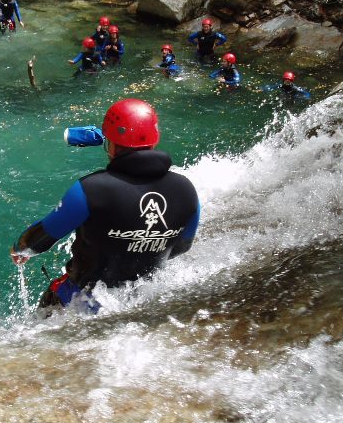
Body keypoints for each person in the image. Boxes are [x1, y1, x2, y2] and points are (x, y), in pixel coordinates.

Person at [10, 98, 201, 310]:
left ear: (110, 146)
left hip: (86, 301)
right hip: (145, 298)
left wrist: (20, 249)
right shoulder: (187, 190)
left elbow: (38, 240)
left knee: (54, 296)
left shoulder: (91, 189)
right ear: (154, 140)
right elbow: (182, 247)